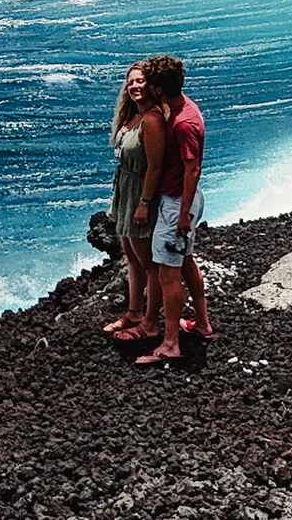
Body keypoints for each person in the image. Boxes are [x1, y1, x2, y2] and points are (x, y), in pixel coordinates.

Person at [135, 54, 214, 364]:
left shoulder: (184, 123)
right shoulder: (180, 106)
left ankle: (170, 344)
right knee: (185, 261)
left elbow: (192, 169)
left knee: (169, 274)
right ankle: (203, 324)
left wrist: (182, 215)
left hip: (176, 203)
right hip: (182, 202)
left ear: (158, 89)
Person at [102, 64, 164, 338]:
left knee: (149, 262)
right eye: (131, 82)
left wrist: (145, 202)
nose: (135, 86)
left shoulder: (151, 120)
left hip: (139, 191)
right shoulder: (131, 117)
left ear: (151, 85)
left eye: (141, 81)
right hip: (124, 190)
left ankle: (150, 323)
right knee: (131, 257)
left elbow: (154, 167)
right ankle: (134, 312)